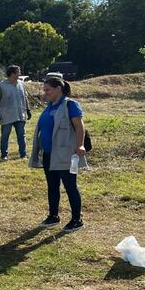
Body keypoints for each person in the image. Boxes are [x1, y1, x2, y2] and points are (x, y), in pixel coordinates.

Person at [29, 76, 87, 233]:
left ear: (58, 89)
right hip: (49, 154)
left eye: (48, 90)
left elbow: (79, 126)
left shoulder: (70, 105)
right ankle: (53, 216)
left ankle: (77, 220)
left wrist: (80, 145)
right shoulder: (49, 106)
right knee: (52, 186)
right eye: (44, 90)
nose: (45, 93)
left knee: (70, 186)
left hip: (65, 153)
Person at [0, 65, 31, 160]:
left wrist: (28, 109)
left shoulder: (21, 84)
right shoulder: (1, 85)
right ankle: (4, 154)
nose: (20, 73)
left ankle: (23, 154)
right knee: (5, 135)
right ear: (13, 73)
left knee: (21, 135)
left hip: (20, 113)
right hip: (6, 114)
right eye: (18, 72)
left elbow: (25, 97)